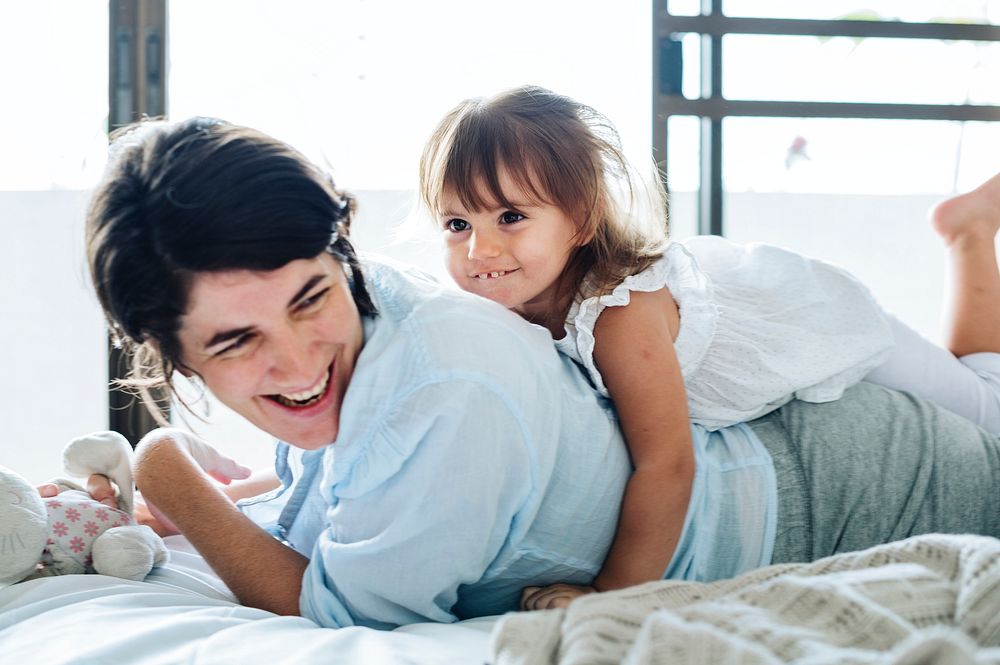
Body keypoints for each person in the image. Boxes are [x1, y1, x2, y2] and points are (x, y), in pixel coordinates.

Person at [84, 117, 1000, 630]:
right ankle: (971, 246)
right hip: (794, 458)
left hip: (858, 481)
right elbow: (344, 492)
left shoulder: (451, 386)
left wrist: (165, 461)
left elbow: (333, 602)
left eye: (309, 298)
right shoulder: (386, 321)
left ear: (345, 254)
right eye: (235, 343)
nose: (293, 361)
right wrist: (225, 503)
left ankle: (969, 241)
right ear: (165, 347)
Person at [417, 85, 1000, 609]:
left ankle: (969, 231)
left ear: (582, 218)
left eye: (511, 216)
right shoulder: (502, 299)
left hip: (807, 319)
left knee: (987, 409)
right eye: (457, 224)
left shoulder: (618, 317)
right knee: (969, 385)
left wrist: (611, 595)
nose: (479, 250)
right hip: (748, 311)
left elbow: (667, 464)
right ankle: (967, 233)